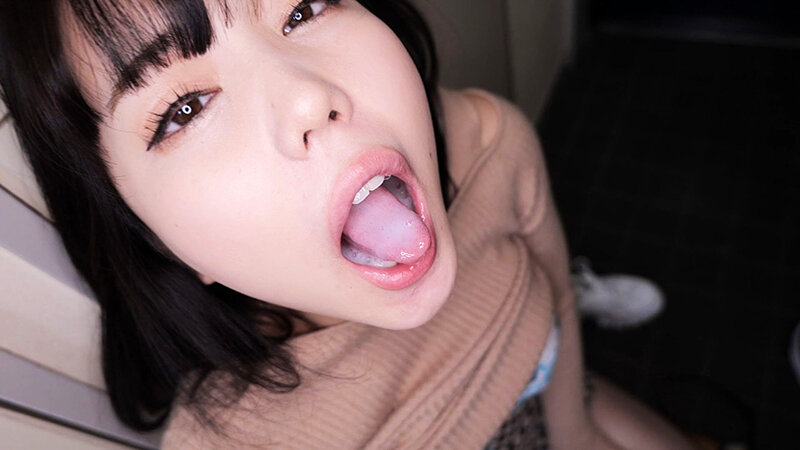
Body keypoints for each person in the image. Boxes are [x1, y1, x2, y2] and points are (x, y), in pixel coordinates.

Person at [0, 0, 697, 448]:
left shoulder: (492, 142)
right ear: (151, 233)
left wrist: (577, 433)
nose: (308, 96)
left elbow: (560, 320)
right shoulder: (232, 440)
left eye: (303, 7)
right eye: (185, 108)